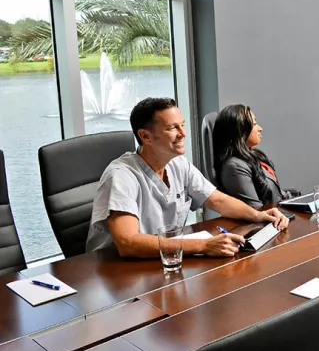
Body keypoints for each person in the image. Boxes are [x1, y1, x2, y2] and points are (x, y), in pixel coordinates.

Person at [87, 97, 290, 257]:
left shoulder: (178, 164)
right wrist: (204, 245)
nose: (183, 133)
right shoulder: (121, 176)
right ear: (145, 136)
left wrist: (259, 215)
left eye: (182, 125)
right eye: (172, 128)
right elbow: (128, 243)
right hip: (116, 274)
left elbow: (218, 200)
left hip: (165, 259)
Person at [213, 104, 299, 208]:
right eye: (254, 124)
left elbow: (276, 194)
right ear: (239, 131)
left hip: (280, 212)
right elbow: (256, 209)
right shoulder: (234, 167)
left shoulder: (255, 156)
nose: (260, 129)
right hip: (269, 220)